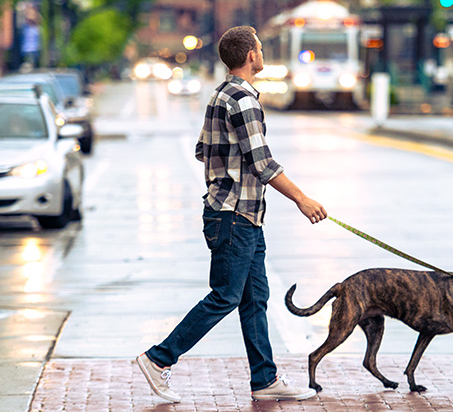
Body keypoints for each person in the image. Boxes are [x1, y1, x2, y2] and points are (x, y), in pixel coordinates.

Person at [136, 25, 327, 403]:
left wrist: (226, 172)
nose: (261, 51)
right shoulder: (242, 99)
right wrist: (301, 199)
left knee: (255, 298)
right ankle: (158, 359)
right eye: (258, 47)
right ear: (250, 56)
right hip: (235, 215)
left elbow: (202, 150)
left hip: (241, 215)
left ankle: (264, 380)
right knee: (225, 296)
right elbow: (262, 162)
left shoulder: (220, 95)